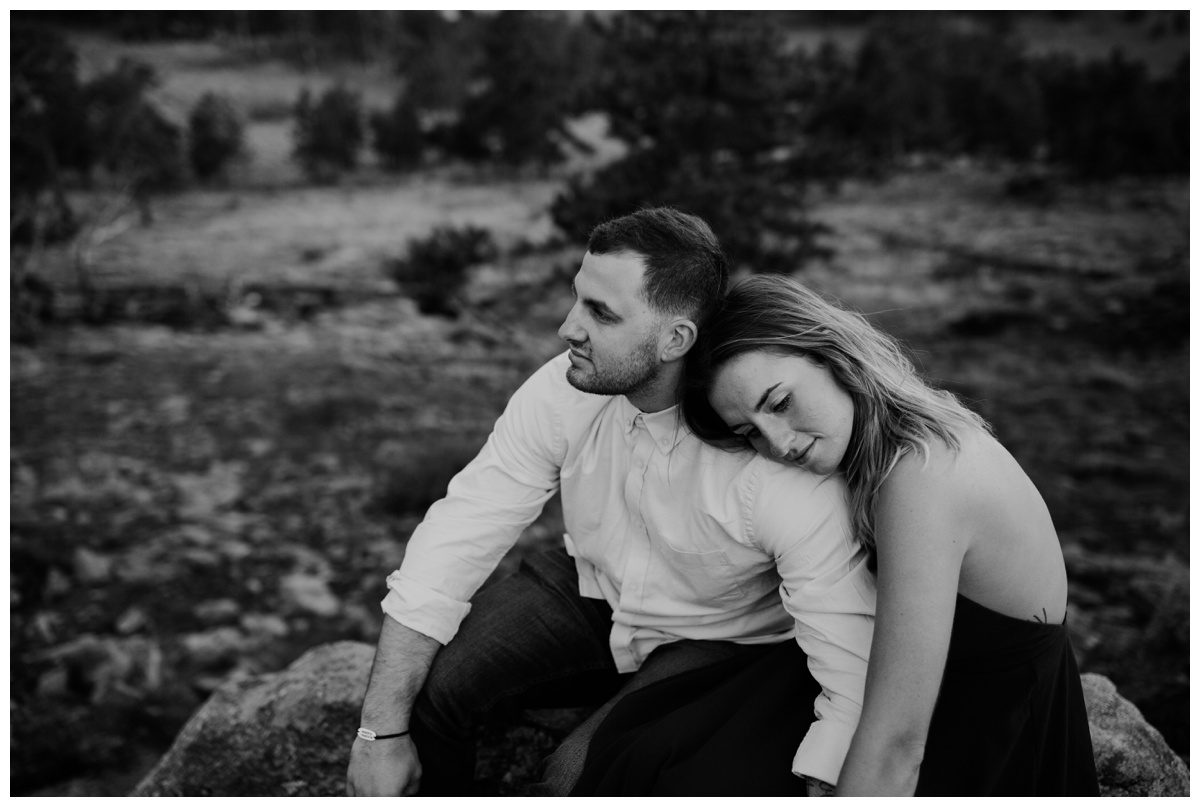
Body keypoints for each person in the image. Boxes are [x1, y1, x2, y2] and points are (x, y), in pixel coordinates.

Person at [345, 209, 875, 797]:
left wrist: (831, 776)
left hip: (719, 639)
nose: (567, 329)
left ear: (676, 339)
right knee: (433, 688)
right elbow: (464, 526)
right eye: (578, 299)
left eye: (600, 313)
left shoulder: (770, 462)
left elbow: (847, 652)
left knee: (576, 776)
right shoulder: (561, 390)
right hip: (592, 586)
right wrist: (378, 735)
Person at [661, 273, 1098, 795]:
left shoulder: (921, 478)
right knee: (676, 742)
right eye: (749, 432)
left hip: (987, 730)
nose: (777, 443)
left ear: (832, 355)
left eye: (779, 403)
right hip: (925, 694)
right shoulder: (887, 441)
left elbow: (898, 746)